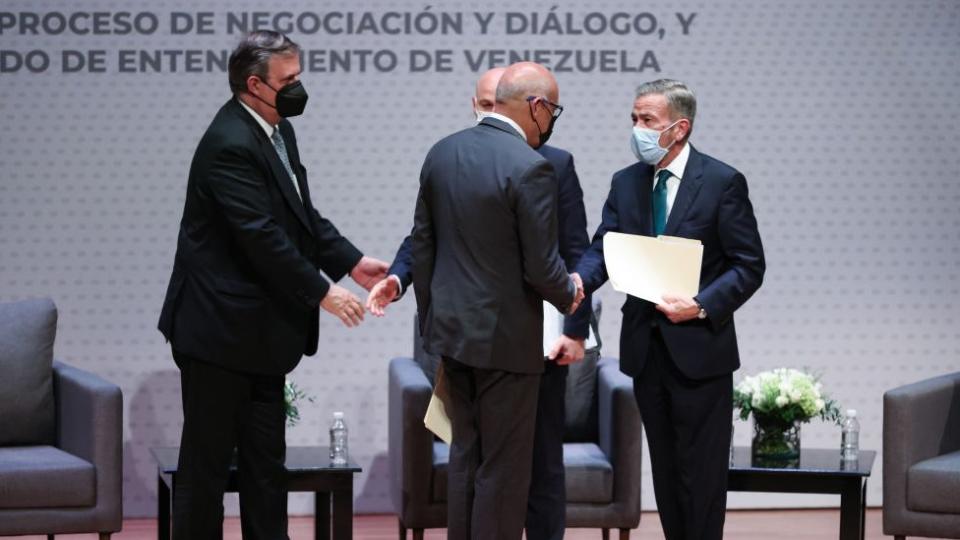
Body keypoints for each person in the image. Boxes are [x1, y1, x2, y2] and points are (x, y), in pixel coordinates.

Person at [157, 30, 388, 539]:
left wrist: (349, 262)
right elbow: (261, 237)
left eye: (299, 77)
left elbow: (298, 216)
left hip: (259, 337)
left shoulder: (276, 128)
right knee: (206, 470)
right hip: (217, 333)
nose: (298, 89)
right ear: (255, 84)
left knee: (266, 470)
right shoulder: (229, 144)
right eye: (290, 80)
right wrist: (322, 291)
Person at [366, 66, 591, 540]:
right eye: (551, 111)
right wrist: (570, 293)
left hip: (451, 338)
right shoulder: (530, 166)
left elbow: (424, 248)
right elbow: (541, 265)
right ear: (536, 107)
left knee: (466, 458)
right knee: (504, 473)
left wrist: (432, 319)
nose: (549, 123)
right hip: (507, 344)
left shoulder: (442, 153)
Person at [574, 79, 765, 540]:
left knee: (699, 476)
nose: (637, 129)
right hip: (646, 352)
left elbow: (748, 264)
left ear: (679, 128)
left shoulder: (721, 182)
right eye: (634, 119)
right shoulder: (626, 182)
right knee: (666, 471)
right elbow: (606, 246)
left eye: (647, 121)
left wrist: (701, 305)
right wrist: (578, 280)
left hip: (701, 352)